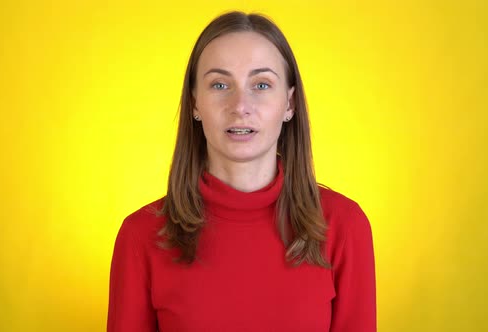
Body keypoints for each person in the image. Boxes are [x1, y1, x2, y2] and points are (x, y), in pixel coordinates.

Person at [107, 11, 376, 332]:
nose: (240, 106)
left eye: (261, 84)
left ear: (289, 104)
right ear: (195, 103)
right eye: (220, 84)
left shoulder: (343, 226)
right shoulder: (141, 236)